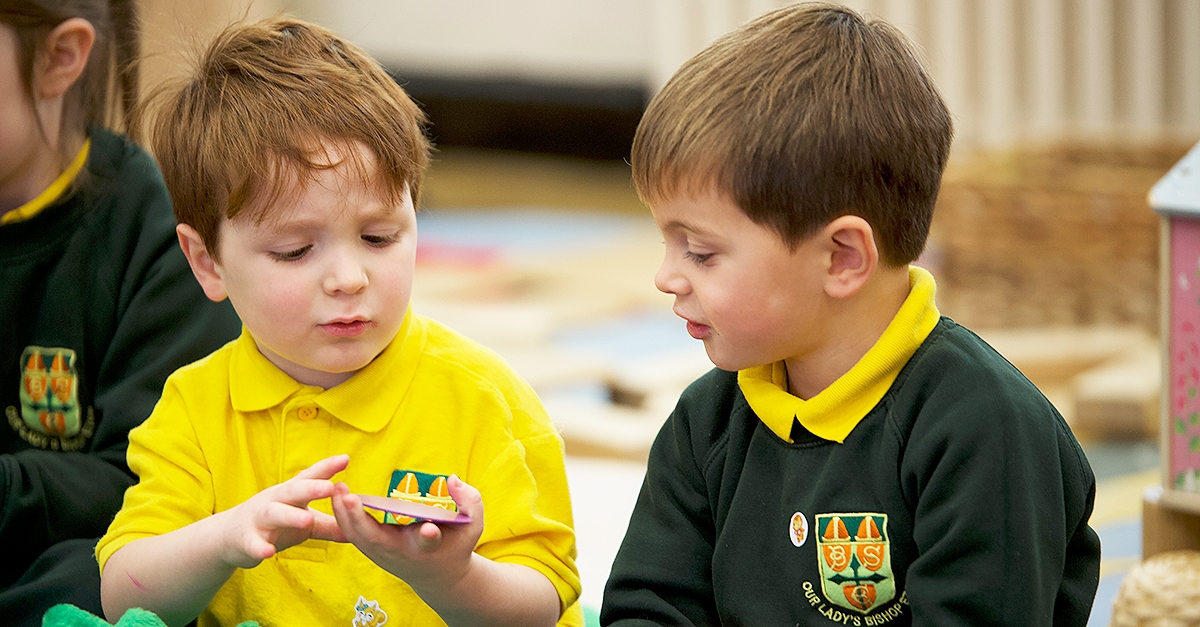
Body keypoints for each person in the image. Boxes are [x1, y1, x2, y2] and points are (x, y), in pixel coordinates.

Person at [600, 4, 1100, 626]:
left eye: (700, 252)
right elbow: (649, 608)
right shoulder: (707, 422)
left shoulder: (983, 429)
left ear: (841, 257)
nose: (666, 277)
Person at [95, 17, 582, 627]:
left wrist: (451, 576)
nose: (348, 278)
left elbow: (544, 605)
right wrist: (220, 540)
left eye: (379, 237)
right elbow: (123, 596)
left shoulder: (481, 399)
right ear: (207, 262)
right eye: (296, 251)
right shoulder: (194, 408)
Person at [0, 0, 241, 623]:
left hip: (59, 561)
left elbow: (143, 484)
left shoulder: (153, 234)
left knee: (101, 578)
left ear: (60, 57)